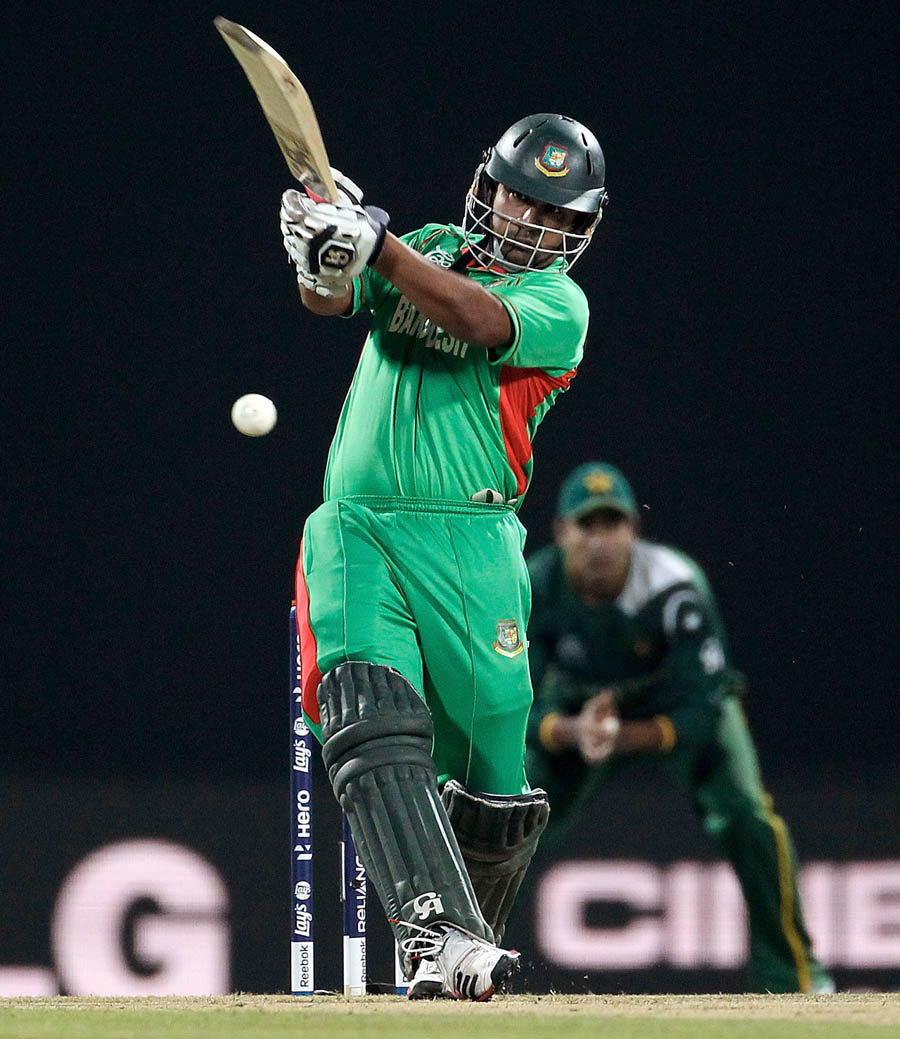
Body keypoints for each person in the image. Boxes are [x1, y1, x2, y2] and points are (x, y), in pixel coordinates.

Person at [279, 115, 609, 1000]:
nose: (535, 223)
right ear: (488, 187)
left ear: (581, 234)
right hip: (360, 525)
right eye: (522, 198)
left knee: (498, 787)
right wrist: (324, 254)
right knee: (370, 704)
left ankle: (458, 959)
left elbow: (473, 314)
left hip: (475, 541)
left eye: (559, 217)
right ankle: (435, 933)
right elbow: (333, 300)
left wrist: (375, 246)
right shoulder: (428, 246)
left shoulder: (559, 306)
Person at [525, 461, 834, 994]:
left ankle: (799, 981)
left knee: (749, 819)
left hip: (668, 712)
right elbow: (514, 708)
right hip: (579, 718)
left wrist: (620, 735)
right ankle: (466, 967)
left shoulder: (675, 587)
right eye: (586, 525)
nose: (599, 541)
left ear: (633, 531)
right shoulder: (532, 585)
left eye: (612, 524)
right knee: (506, 826)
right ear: (560, 532)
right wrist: (574, 733)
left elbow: (704, 708)